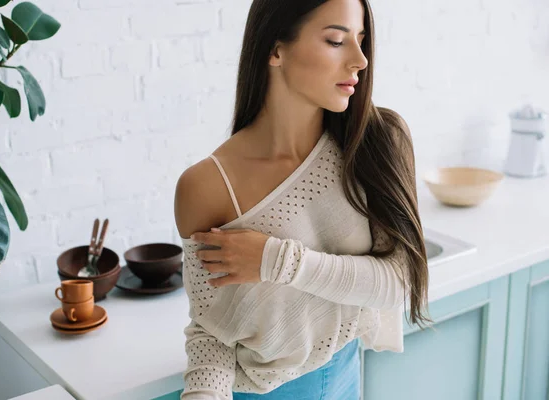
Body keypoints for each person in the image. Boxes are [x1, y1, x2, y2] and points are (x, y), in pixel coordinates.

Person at [174, 0, 433, 398]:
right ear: (275, 50)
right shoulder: (207, 185)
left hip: (346, 377)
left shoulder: (379, 143)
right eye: (336, 40)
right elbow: (212, 331)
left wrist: (276, 261)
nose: (360, 60)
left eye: (361, 41)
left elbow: (399, 281)